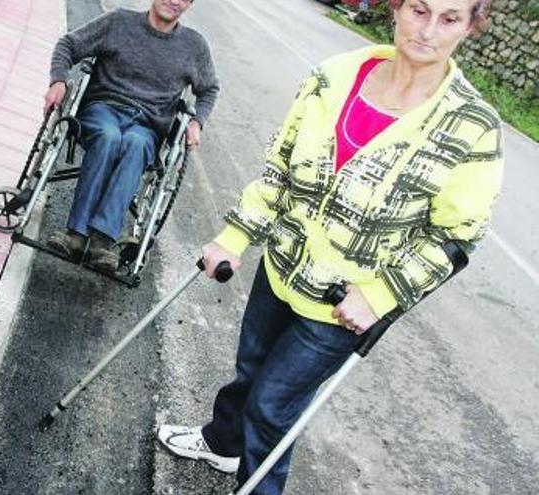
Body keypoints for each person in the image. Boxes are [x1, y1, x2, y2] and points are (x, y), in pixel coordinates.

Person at [156, 0, 504, 493]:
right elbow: (281, 168)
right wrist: (234, 238)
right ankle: (221, 443)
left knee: (273, 406)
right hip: (281, 266)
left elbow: (457, 236)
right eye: (419, 11)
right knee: (249, 370)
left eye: (449, 19)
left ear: (470, 27)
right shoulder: (334, 77)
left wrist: (381, 294)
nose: (427, 31)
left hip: (344, 303)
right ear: (398, 9)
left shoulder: (472, 126)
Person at [44, 0, 220, 272]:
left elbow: (209, 89)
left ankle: (102, 241)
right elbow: (68, 45)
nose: (174, 1)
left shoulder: (194, 46)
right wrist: (58, 81)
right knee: (109, 137)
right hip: (103, 110)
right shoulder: (118, 22)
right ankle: (76, 234)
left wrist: (197, 122)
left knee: (135, 144)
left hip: (147, 127)